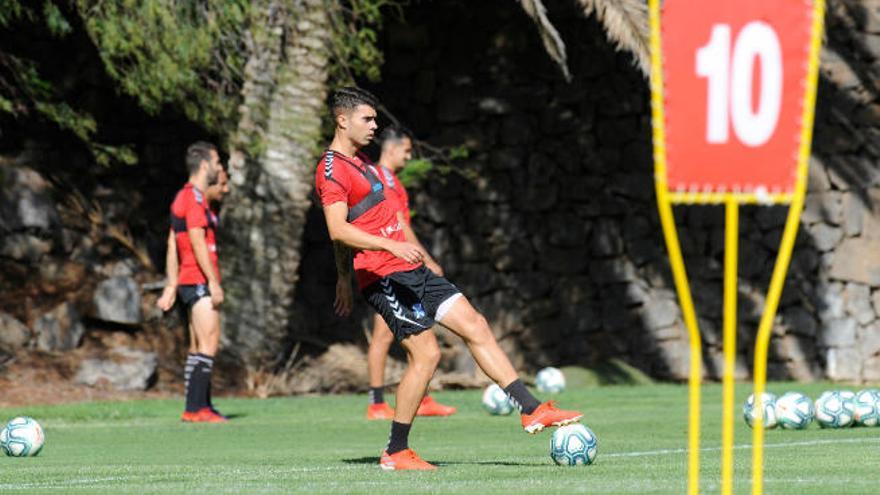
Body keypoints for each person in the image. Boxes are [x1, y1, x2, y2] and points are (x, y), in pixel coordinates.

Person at [315, 87, 583, 471]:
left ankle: (532, 409)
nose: (375, 126)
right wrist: (366, 263)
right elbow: (338, 230)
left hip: (410, 269)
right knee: (427, 355)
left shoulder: (362, 164)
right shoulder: (331, 169)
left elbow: (369, 223)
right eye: (367, 119)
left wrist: (364, 264)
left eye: (375, 119)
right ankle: (395, 451)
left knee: (475, 324)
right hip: (384, 275)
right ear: (342, 120)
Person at [334, 125, 456, 421]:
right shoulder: (382, 178)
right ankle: (376, 403)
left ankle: (420, 397)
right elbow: (400, 224)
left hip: (396, 266)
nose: (409, 155)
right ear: (391, 148)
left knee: (411, 332)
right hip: (385, 268)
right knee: (384, 336)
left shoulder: (386, 178)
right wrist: (425, 259)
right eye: (407, 149)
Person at [156, 141, 227, 423]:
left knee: (198, 346)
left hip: (187, 281)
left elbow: (173, 241)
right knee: (209, 343)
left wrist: (171, 285)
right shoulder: (194, 198)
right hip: (198, 281)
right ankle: (197, 408)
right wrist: (213, 282)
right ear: (205, 164)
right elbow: (196, 241)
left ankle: (197, 406)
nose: (220, 168)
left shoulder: (183, 197)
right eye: (218, 162)